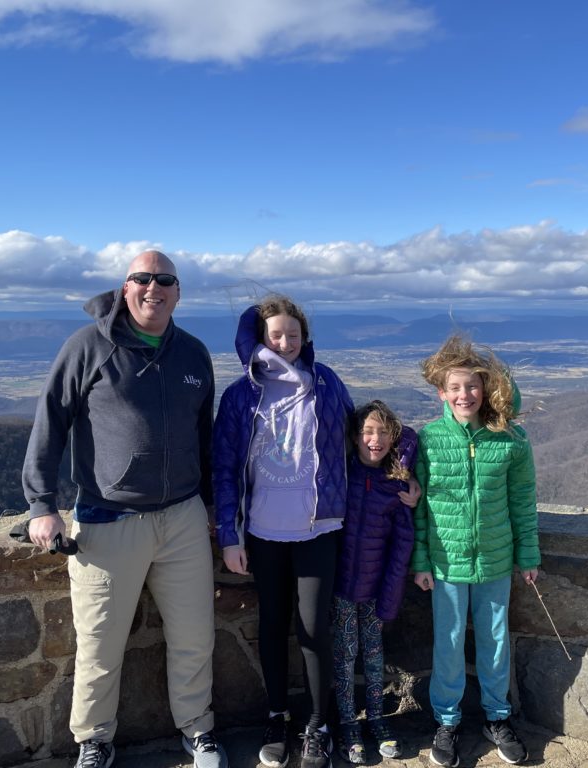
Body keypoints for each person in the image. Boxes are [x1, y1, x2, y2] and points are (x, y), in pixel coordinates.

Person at [22, 250, 227, 768]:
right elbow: (50, 422)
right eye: (142, 278)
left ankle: (198, 730)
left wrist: (211, 504)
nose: (152, 287)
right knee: (99, 642)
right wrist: (41, 506)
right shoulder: (88, 346)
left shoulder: (194, 354)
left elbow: (205, 439)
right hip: (108, 517)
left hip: (182, 516)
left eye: (164, 280)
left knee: (194, 635)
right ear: (125, 286)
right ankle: (93, 741)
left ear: (178, 293)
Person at [212, 295, 353, 768]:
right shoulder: (240, 394)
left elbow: (360, 435)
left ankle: (318, 726)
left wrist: (404, 455)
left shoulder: (327, 383)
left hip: (320, 527)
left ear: (304, 336)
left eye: (293, 333)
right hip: (264, 531)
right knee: (272, 626)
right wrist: (229, 537)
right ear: (260, 338)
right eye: (276, 334)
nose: (286, 342)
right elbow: (225, 467)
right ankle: (277, 717)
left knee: (315, 629)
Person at [411, 334, 539, 768]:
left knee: (495, 640)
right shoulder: (428, 440)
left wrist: (529, 555)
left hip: (497, 559)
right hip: (446, 563)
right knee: (447, 644)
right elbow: (421, 508)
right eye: (455, 387)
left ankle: (496, 717)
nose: (464, 395)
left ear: (485, 390)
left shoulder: (510, 440)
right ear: (442, 392)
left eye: (472, 386)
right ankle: (446, 722)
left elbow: (522, 500)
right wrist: (421, 560)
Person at [333, 400, 417, 765]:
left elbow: (402, 546)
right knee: (344, 655)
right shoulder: (342, 474)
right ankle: (349, 723)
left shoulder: (396, 485)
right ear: (354, 437)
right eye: (367, 431)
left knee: (373, 654)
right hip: (340, 589)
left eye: (383, 432)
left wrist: (390, 597)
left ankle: (378, 719)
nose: (375, 439)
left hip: (375, 589)